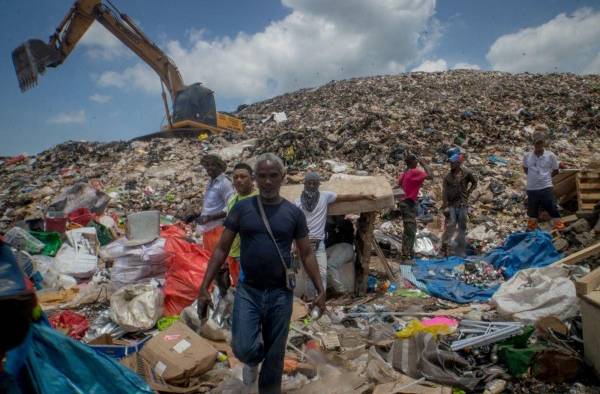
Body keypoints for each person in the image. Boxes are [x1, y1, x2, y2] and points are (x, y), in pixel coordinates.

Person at [197, 153, 325, 394]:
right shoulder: (242, 209)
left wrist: (320, 289)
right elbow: (222, 248)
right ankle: (253, 360)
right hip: (249, 291)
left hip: (280, 293)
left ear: (282, 178)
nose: (267, 182)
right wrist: (204, 285)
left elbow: (307, 252)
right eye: (263, 176)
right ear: (255, 178)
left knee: (275, 357)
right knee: (243, 348)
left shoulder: (293, 213)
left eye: (273, 176)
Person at [295, 171, 374, 299]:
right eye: (309, 182)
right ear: (304, 184)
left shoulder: (325, 197)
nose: (311, 185)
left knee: (322, 273)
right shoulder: (297, 202)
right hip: (305, 244)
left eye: (314, 183)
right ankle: (310, 300)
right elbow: (293, 224)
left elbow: (345, 197)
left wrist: (364, 195)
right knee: (309, 274)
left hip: (319, 244)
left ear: (318, 185)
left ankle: (322, 300)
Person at [523, 129, 564, 230]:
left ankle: (559, 226)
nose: (539, 145)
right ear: (534, 144)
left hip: (546, 186)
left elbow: (555, 170)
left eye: (540, 143)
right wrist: (533, 178)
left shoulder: (550, 156)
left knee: (551, 206)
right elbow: (525, 168)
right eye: (537, 143)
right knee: (532, 209)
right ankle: (531, 228)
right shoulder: (527, 156)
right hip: (532, 188)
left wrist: (546, 178)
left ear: (543, 143)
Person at [225, 162, 258, 286]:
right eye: (236, 177)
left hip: (250, 256)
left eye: (243, 177)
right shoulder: (233, 199)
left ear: (252, 178)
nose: (239, 180)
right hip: (233, 254)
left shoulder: (258, 199)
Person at [396, 154, 432, 263]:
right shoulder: (415, 172)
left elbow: (399, 183)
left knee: (409, 229)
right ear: (413, 162)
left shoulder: (406, 172)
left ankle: (408, 253)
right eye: (416, 161)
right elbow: (431, 176)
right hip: (408, 204)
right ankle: (406, 256)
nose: (417, 163)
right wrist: (424, 163)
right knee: (410, 230)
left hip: (404, 203)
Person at [441, 153, 477, 257]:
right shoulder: (447, 177)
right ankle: (444, 249)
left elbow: (474, 183)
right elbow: (444, 192)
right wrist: (445, 205)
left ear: (458, 163)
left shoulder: (466, 173)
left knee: (462, 227)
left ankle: (460, 250)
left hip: (462, 204)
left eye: (453, 163)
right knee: (450, 226)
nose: (451, 165)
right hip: (452, 205)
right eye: (450, 163)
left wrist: (468, 192)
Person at [197, 154, 234, 254]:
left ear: (219, 166)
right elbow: (211, 205)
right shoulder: (211, 182)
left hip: (218, 230)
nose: (209, 168)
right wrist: (196, 215)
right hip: (208, 229)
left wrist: (209, 217)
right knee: (209, 258)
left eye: (212, 165)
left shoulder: (224, 183)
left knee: (219, 261)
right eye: (207, 165)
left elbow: (231, 206)